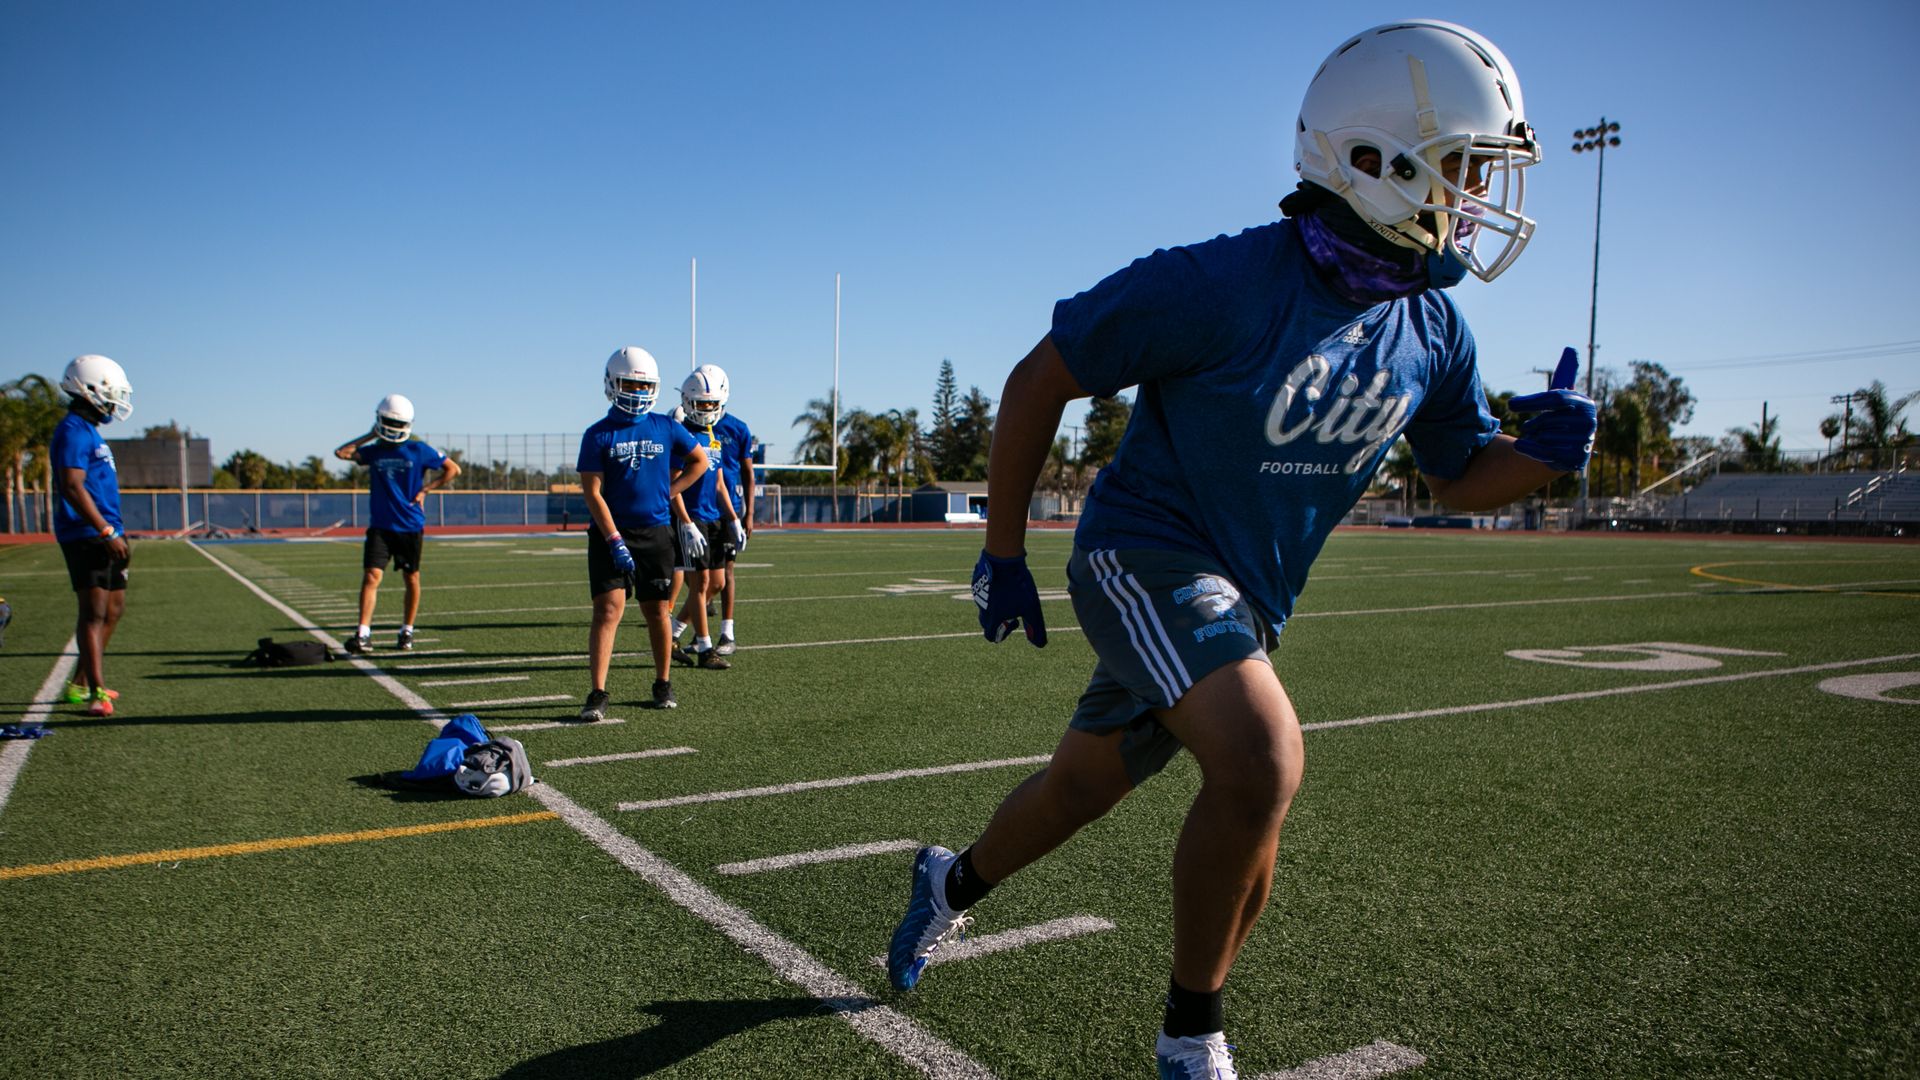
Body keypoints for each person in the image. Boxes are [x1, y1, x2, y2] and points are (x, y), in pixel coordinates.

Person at [885, 21, 1596, 1079]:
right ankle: (1191, 1037)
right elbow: (1043, 377)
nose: (1478, 195)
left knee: (1079, 790)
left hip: (1245, 597)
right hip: (1142, 556)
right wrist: (1002, 550)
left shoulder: (1434, 329)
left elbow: (1456, 476)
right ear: (1372, 160)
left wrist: (1542, 456)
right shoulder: (1219, 283)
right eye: (1464, 166)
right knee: (1264, 760)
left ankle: (948, 884)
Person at [577, 347, 712, 716]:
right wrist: (614, 539)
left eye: (644, 385)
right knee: (608, 610)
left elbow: (699, 460)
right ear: (612, 383)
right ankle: (598, 692)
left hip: (655, 533)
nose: (637, 391)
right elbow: (592, 493)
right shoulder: (597, 434)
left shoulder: (666, 426)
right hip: (610, 535)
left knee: (657, 611)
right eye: (630, 383)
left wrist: (670, 491)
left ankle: (662, 682)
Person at [332, 394, 461, 653]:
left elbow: (453, 469)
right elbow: (341, 453)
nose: (394, 427)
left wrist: (426, 489)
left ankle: (407, 630)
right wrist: (370, 435)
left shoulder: (419, 449)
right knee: (371, 576)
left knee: (411, 577)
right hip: (380, 526)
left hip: (410, 525)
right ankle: (363, 633)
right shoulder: (375, 450)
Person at [51, 355, 135, 717]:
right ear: (90, 389)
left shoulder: (88, 431)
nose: (115, 402)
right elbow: (72, 486)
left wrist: (114, 530)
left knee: (114, 608)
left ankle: (82, 682)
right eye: (112, 393)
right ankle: (96, 692)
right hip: (87, 533)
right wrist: (104, 530)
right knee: (94, 612)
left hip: (105, 531)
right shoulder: (72, 430)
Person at [667, 366, 746, 670]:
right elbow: (672, 485)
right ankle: (705, 647)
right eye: (701, 404)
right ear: (688, 402)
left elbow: (718, 483)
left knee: (717, 582)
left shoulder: (713, 435)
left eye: (712, 404)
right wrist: (685, 522)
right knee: (699, 586)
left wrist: (733, 517)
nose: (707, 409)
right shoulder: (680, 435)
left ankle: (671, 633)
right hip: (691, 518)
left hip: (713, 518)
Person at [704, 369, 755, 656]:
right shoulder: (691, 425)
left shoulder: (737, 428)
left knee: (727, 572)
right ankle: (697, 631)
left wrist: (748, 514)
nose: (706, 406)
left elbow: (748, 473)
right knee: (698, 576)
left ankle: (727, 631)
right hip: (699, 507)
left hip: (729, 509)